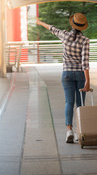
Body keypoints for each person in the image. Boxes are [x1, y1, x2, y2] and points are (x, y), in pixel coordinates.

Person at [36, 13, 91, 143]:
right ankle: (79, 131)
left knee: (69, 102)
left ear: (72, 24)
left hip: (66, 74)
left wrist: (40, 22)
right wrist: (88, 80)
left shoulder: (65, 35)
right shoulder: (85, 40)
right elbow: (85, 62)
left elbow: (52, 28)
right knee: (80, 104)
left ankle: (69, 131)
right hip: (80, 74)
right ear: (83, 27)